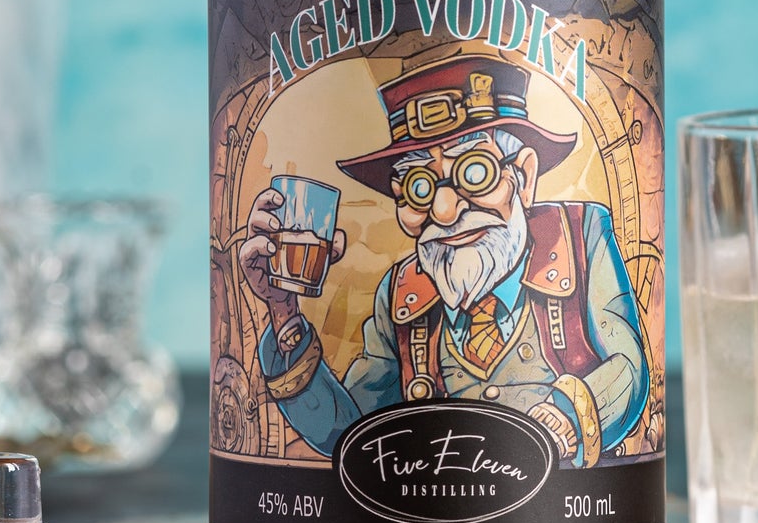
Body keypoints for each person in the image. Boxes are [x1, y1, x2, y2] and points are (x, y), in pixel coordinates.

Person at [238, 54, 649, 466]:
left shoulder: (580, 238)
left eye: (475, 172)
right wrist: (284, 313)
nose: (445, 211)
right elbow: (351, 430)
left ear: (523, 177)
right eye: (419, 187)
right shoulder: (402, 292)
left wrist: (565, 419)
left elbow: (629, 369)